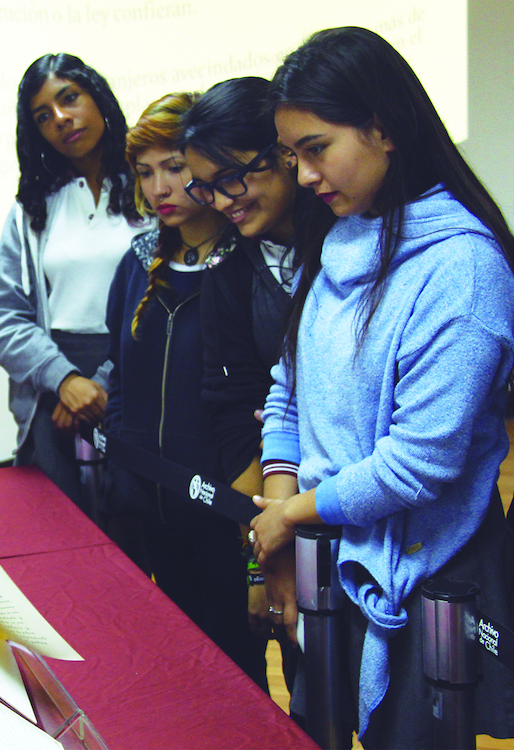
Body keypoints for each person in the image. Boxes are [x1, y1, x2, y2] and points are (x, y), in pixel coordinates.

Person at [250, 26, 514, 747]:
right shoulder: (336, 238)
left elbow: (419, 463)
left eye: (316, 149)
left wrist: (292, 516)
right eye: (292, 155)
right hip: (323, 552)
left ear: (383, 129)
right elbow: (287, 395)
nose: (304, 176)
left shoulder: (462, 268)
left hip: (424, 573)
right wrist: (280, 524)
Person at [102, 92, 266, 690]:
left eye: (173, 167)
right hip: (151, 509)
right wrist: (125, 472)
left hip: (225, 515)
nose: (159, 188)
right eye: (144, 173)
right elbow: (119, 375)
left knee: (236, 677)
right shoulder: (137, 262)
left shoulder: (246, 264)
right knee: (173, 675)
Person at [180, 76, 326, 695]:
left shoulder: (349, 247)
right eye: (205, 187)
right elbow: (239, 418)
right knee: (310, 696)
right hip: (288, 518)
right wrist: (265, 564)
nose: (220, 201)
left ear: (285, 155)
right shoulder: (230, 276)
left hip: (378, 514)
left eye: (232, 178)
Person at [0, 53, 149, 520]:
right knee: (62, 540)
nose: (61, 119)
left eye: (69, 98)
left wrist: (101, 383)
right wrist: (64, 380)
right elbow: (3, 317)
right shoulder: (30, 212)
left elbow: (167, 304)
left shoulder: (152, 189)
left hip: (138, 379)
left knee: (134, 536)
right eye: (43, 115)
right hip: (51, 388)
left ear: (97, 97)